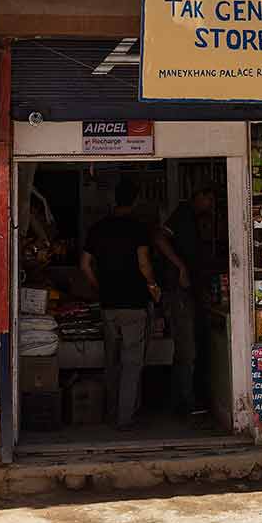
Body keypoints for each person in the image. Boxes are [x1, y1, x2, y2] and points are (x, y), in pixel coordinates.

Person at [82, 181, 160, 430]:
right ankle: (124, 419)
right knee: (131, 363)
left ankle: (111, 411)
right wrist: (152, 285)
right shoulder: (138, 229)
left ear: (113, 200)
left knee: (111, 361)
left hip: (108, 306)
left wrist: (99, 287)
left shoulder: (97, 229)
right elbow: (144, 263)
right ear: (135, 202)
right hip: (134, 305)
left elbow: (84, 265)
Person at [156, 190, 209, 414]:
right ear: (198, 197)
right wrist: (180, 267)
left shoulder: (193, 219)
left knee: (186, 348)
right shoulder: (183, 214)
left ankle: (181, 400)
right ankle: (186, 402)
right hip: (178, 292)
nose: (211, 206)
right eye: (209, 199)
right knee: (186, 349)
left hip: (187, 292)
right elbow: (159, 237)